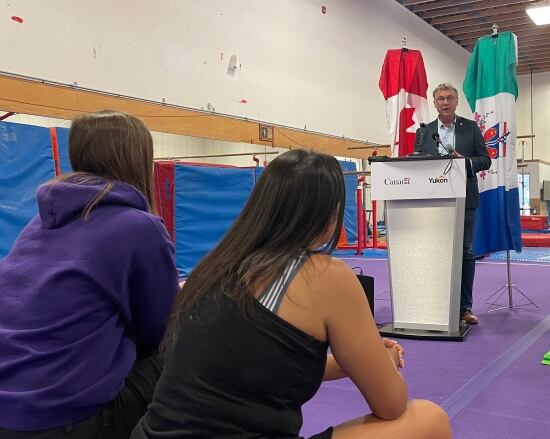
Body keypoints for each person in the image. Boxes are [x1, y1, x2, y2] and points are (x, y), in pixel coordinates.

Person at [132, 149, 451, 439]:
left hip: (149, 433)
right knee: (429, 419)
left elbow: (259, 364)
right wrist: (379, 361)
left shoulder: (213, 268)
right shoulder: (326, 275)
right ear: (329, 216)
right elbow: (391, 404)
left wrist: (354, 360)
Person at [0, 110, 179, 437]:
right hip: (61, 416)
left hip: (9, 406)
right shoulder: (139, 227)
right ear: (138, 160)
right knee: (180, 344)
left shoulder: (39, 222)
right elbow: (163, 329)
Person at [413, 83, 491, 325]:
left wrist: (464, 162)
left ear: (456, 101)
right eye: (440, 99)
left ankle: (464, 308)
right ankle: (434, 305)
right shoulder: (424, 132)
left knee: (465, 252)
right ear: (434, 103)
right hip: (432, 200)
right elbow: (415, 162)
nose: (445, 102)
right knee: (434, 252)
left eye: (449, 98)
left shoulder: (471, 127)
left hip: (464, 200)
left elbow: (485, 160)